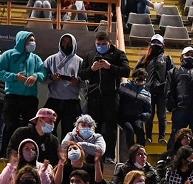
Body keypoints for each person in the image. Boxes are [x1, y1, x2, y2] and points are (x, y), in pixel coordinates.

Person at [79, 31, 131, 163]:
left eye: (103, 44)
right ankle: (92, 154)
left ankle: (109, 155)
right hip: (94, 96)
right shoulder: (90, 55)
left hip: (111, 96)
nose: (100, 46)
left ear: (109, 43)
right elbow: (82, 74)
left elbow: (126, 71)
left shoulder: (119, 54)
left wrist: (110, 67)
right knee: (93, 126)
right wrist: (92, 69)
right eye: (98, 44)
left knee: (110, 127)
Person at [0, 30, 47, 158]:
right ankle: (7, 154)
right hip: (12, 96)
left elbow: (43, 73)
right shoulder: (8, 55)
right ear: (22, 41)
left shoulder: (36, 58)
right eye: (30, 40)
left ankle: (30, 155)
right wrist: (15, 77)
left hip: (30, 97)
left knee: (30, 127)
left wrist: (36, 76)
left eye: (33, 40)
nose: (32, 43)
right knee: (10, 126)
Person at [134, 34, 174, 144]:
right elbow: (136, 72)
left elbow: (172, 74)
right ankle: (149, 137)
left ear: (162, 45)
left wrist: (165, 85)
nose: (156, 45)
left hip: (162, 91)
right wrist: (143, 81)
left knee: (162, 115)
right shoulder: (145, 58)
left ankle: (161, 137)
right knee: (149, 115)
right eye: (154, 42)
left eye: (158, 42)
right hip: (148, 91)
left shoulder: (167, 59)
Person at [43, 33, 83, 139]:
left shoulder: (80, 61)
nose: (66, 44)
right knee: (48, 130)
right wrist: (51, 77)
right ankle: (52, 149)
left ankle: (66, 150)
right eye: (64, 42)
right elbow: (42, 78)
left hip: (72, 101)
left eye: (69, 42)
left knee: (70, 133)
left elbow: (87, 81)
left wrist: (78, 81)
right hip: (54, 100)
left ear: (74, 44)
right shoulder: (50, 59)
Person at [118, 68, 152, 148]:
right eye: (139, 78)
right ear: (134, 78)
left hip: (137, 117)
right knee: (130, 131)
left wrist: (143, 116)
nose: (140, 81)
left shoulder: (146, 94)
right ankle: (131, 151)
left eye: (143, 79)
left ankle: (141, 151)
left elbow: (148, 110)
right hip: (124, 117)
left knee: (140, 130)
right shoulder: (124, 87)